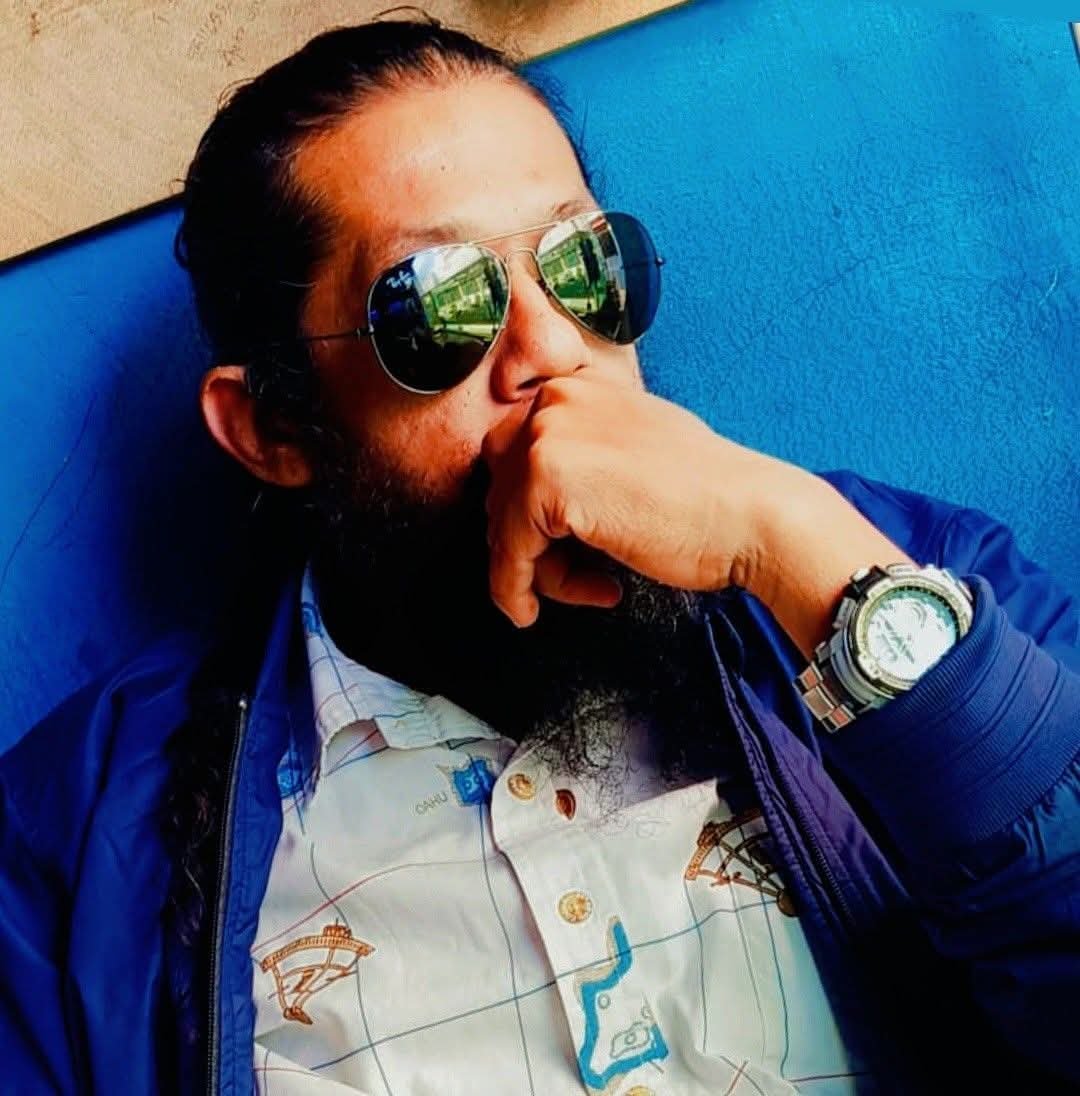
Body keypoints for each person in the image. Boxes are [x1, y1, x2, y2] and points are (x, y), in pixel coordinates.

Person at [2, 13, 1077, 1096]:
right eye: (438, 306)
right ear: (274, 429)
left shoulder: (908, 580)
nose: (557, 349)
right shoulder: (78, 847)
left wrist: (801, 558)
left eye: (581, 266)